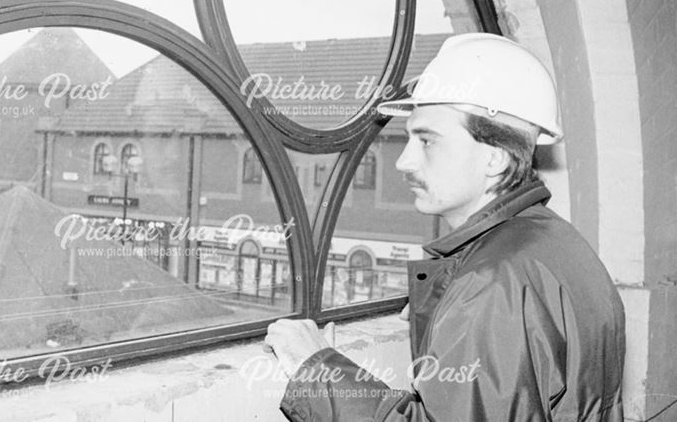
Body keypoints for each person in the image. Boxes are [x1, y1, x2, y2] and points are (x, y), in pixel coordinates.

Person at [265, 33, 626, 421]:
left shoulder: (491, 285)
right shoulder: (555, 241)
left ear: (495, 159)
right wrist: (448, 305)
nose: (404, 161)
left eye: (427, 141)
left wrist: (315, 367)